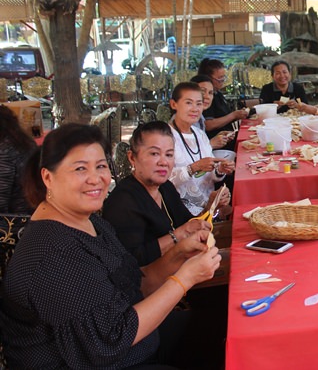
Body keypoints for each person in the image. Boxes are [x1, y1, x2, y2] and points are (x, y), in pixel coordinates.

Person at [0, 123, 220, 368]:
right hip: (112, 359)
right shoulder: (52, 253)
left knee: (222, 323)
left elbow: (137, 283)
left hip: (139, 343)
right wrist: (184, 279)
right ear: (48, 177)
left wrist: (179, 253)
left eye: (101, 166)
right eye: (80, 169)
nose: (96, 179)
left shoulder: (90, 221)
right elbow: (111, 339)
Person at [102, 121, 212, 266]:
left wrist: (210, 206)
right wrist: (178, 235)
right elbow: (133, 260)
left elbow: (188, 222)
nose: (164, 162)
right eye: (154, 153)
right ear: (132, 157)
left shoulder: (166, 187)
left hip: (185, 264)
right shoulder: (123, 202)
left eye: (169, 155)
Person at [169, 82, 233, 217]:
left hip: (208, 204)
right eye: (188, 103)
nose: (195, 109)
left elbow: (208, 176)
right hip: (180, 210)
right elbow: (161, 179)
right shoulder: (165, 137)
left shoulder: (200, 135)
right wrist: (193, 168)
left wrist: (220, 170)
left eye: (199, 104)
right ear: (174, 104)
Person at [199, 58, 248, 139]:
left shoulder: (217, 93)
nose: (223, 81)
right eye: (219, 78)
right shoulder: (205, 99)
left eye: (223, 77)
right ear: (208, 78)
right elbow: (208, 124)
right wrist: (233, 115)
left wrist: (238, 114)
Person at [0, 105, 35, 214]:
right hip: (33, 213)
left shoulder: (5, 152)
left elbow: (1, 200)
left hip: (14, 222)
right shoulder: (25, 143)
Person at [190, 74, 234, 149]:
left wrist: (218, 137)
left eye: (210, 93)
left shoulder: (200, 117)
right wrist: (211, 144)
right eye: (202, 91)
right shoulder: (185, 119)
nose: (207, 97)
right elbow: (187, 155)